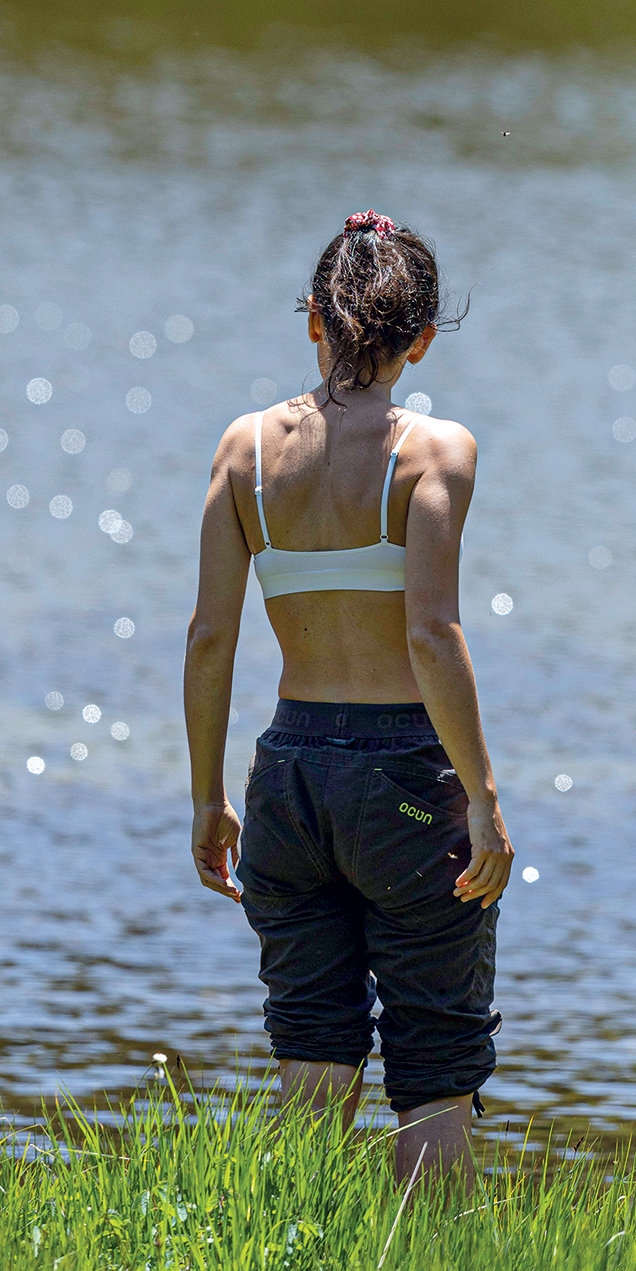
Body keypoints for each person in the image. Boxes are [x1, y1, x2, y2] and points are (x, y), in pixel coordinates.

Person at [184, 211, 512, 1185]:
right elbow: (431, 633)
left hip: (288, 776)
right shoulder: (435, 451)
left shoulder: (243, 449)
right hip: (406, 777)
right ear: (421, 337)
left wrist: (209, 798)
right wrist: (481, 799)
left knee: (313, 1052)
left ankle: (288, 1256)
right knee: (435, 1070)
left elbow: (210, 636)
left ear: (316, 324)